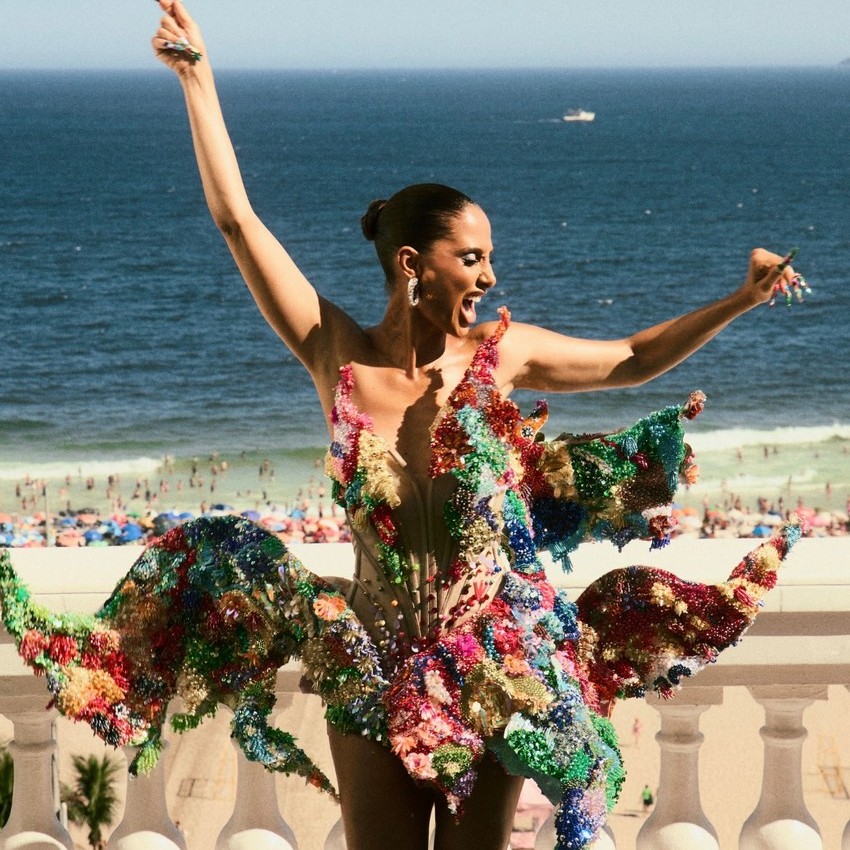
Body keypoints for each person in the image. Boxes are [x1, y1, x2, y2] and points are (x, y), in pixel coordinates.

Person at [143, 3, 809, 849]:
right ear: (412, 265)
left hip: (492, 667)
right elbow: (238, 221)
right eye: (472, 258)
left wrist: (741, 299)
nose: (491, 275)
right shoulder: (335, 352)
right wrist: (197, 79)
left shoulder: (504, 354)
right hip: (371, 666)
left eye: (490, 256)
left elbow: (632, 358)